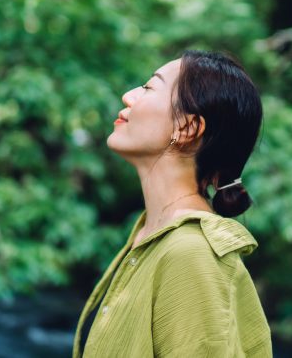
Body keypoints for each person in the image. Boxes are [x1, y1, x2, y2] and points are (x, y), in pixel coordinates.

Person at [72, 50, 272, 357]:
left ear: (188, 128)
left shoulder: (190, 254)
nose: (128, 96)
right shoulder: (150, 237)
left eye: (150, 87)